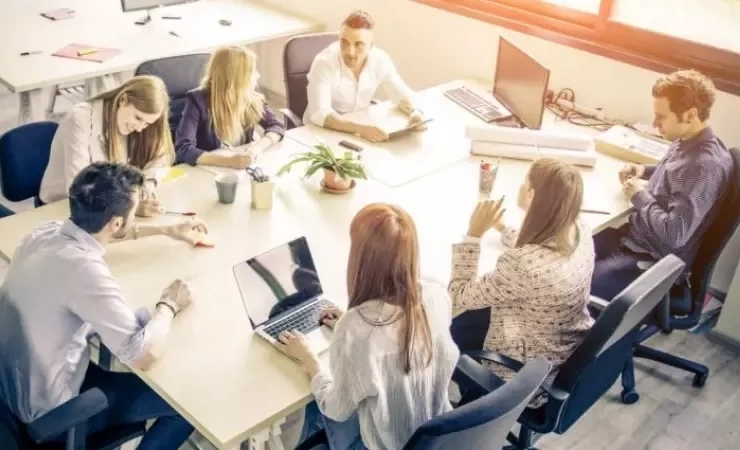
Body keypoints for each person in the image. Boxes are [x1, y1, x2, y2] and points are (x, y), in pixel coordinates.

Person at [0, 162, 212, 450]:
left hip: (7, 388)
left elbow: (106, 235)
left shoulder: (44, 232)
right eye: (134, 210)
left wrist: (166, 229)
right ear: (116, 222)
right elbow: (142, 355)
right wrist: (169, 303)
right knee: (190, 405)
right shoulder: (84, 271)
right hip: (50, 415)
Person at [280, 203, 460, 450]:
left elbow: (337, 409)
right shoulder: (437, 296)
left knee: (315, 405)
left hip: (384, 445)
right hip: (440, 437)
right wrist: (352, 322)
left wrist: (308, 358)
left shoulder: (355, 329)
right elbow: (398, 339)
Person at [449, 158, 594, 403]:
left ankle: (467, 412)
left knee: (442, 325)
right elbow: (544, 253)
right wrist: (504, 229)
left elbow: (457, 295)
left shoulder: (522, 265)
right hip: (562, 350)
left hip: (523, 373)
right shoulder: (579, 228)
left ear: (531, 194)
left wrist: (473, 236)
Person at [591, 70, 732, 302]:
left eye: (661, 117)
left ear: (690, 115)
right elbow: (675, 171)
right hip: (634, 238)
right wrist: (643, 170)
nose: (655, 123)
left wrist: (639, 195)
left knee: (577, 285)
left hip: (653, 260)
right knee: (563, 250)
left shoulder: (705, 167)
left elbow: (675, 234)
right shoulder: (689, 141)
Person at [39, 76, 174, 217]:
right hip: (62, 207)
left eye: (147, 123)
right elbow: (80, 188)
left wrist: (147, 185)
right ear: (123, 100)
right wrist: (130, 207)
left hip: (108, 206)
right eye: (138, 118)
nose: (140, 128)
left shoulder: (138, 126)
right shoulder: (80, 119)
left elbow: (161, 159)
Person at [303, 10, 427, 143]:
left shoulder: (380, 59)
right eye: (344, 42)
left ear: (370, 46)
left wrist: (416, 112)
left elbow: (401, 94)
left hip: (359, 130)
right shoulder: (324, 62)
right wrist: (360, 129)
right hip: (321, 133)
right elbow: (319, 113)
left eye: (358, 45)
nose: (350, 52)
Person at [175, 46, 285, 168]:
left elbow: (276, 126)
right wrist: (229, 161)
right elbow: (184, 149)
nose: (258, 76)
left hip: (241, 170)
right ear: (235, 77)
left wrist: (257, 149)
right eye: (252, 71)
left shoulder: (253, 98)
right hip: (209, 170)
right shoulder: (197, 101)